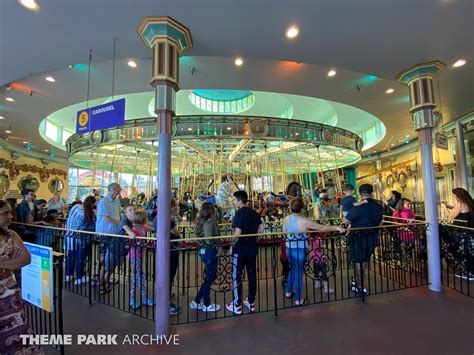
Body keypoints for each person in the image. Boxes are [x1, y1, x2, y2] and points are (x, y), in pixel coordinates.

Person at [283, 198, 344, 305]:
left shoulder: (286, 219)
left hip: (289, 248)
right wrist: (337, 227)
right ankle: (298, 299)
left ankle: (288, 292)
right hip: (300, 249)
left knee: (292, 269)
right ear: (302, 208)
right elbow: (322, 227)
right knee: (299, 273)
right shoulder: (304, 220)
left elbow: (284, 232)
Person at [0, 199, 42, 354]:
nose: (11, 216)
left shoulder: (11, 235)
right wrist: (11, 262)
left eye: (11, 212)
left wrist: (2, 264)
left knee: (19, 328)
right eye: (6, 213)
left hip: (10, 294)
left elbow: (26, 258)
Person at [226, 190, 264, 315]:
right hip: (252, 248)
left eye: (234, 200)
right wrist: (256, 238)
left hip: (240, 248)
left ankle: (237, 304)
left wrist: (232, 246)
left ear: (239, 200)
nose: (233, 202)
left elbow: (238, 233)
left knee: (237, 275)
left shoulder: (239, 213)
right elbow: (262, 227)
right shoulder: (253, 212)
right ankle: (251, 301)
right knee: (252, 274)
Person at [343, 184, 383, 295]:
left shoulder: (358, 206)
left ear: (360, 193)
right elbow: (379, 221)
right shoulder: (378, 206)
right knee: (364, 260)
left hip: (358, 237)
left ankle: (360, 286)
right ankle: (357, 283)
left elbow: (345, 220)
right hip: (372, 237)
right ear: (372, 192)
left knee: (358, 261)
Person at [189, 202, 221, 312]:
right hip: (210, 250)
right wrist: (216, 243)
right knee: (210, 277)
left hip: (204, 251)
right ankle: (206, 304)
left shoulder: (201, 221)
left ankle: (196, 301)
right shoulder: (210, 222)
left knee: (209, 276)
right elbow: (208, 239)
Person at [152, 200, 181, 315]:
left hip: (166, 249)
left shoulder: (158, 218)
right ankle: (166, 303)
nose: (176, 208)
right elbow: (177, 233)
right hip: (170, 250)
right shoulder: (167, 220)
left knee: (166, 275)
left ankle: (165, 297)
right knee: (168, 275)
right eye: (174, 206)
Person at [96, 183, 122, 294]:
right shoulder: (103, 202)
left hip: (114, 233)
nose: (120, 190)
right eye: (119, 189)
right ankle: (99, 280)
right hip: (105, 233)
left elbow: (118, 213)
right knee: (103, 258)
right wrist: (119, 223)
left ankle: (105, 278)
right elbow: (106, 218)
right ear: (114, 190)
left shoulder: (117, 200)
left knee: (112, 258)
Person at [64, 196, 96, 285]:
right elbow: (91, 228)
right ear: (93, 205)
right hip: (81, 240)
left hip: (69, 236)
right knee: (80, 258)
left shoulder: (75, 207)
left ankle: (68, 274)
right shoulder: (88, 214)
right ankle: (79, 277)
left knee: (70, 257)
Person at [129, 210, 154, 309]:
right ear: (142, 220)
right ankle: (141, 298)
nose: (147, 219)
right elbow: (131, 242)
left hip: (140, 255)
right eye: (146, 218)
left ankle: (138, 298)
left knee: (137, 276)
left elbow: (152, 228)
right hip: (134, 256)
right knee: (139, 277)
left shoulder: (143, 227)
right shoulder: (134, 230)